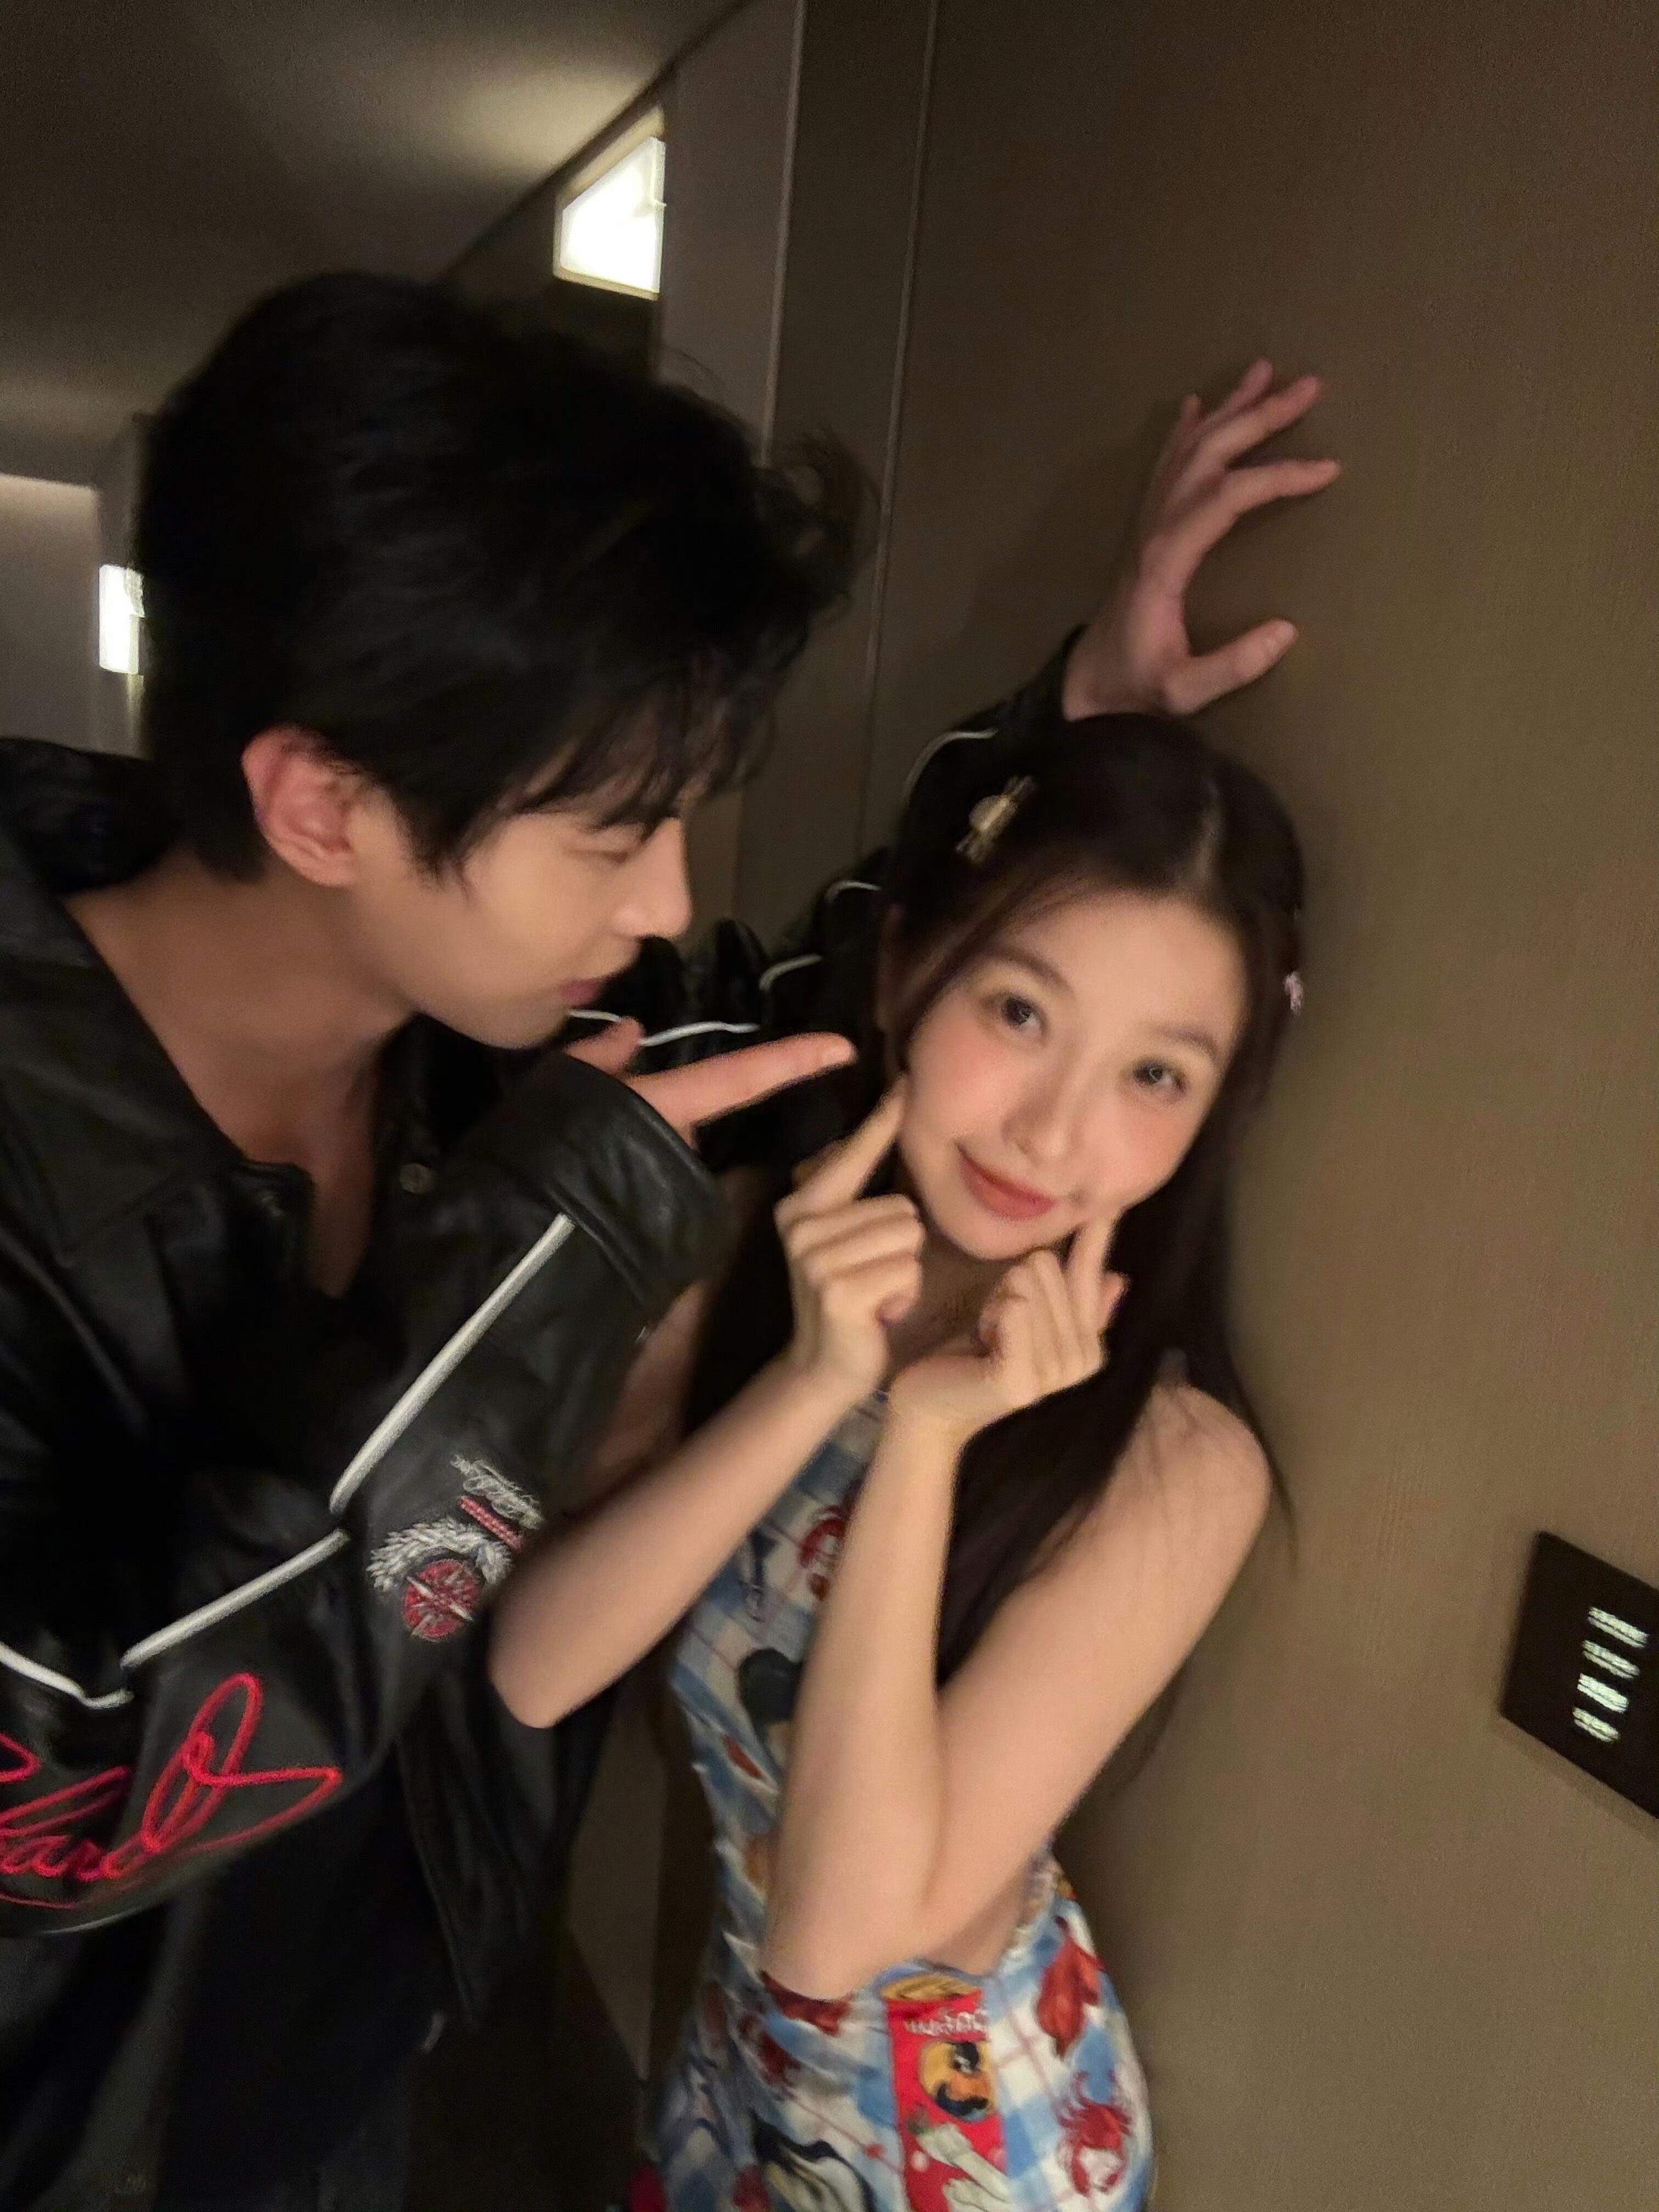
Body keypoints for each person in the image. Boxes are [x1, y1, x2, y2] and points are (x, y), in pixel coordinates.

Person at [0, 255, 1329, 2212]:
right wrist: (542, 1261)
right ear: (322, 810)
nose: (662, 903)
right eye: (614, 835)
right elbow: (65, 1784)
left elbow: (821, 1008)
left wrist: (1065, 749)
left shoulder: (506, 1047)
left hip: (376, 2046)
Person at [490, 691, 1310, 2208]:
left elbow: (840, 1937)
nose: (1053, 1131)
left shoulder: (1176, 1461)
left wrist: (925, 1440)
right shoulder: (760, 1244)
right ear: (902, 970)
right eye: (1020, 1013)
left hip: (974, 2146)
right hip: (732, 2059)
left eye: (1156, 1075)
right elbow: (536, 1666)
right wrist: (816, 1381)